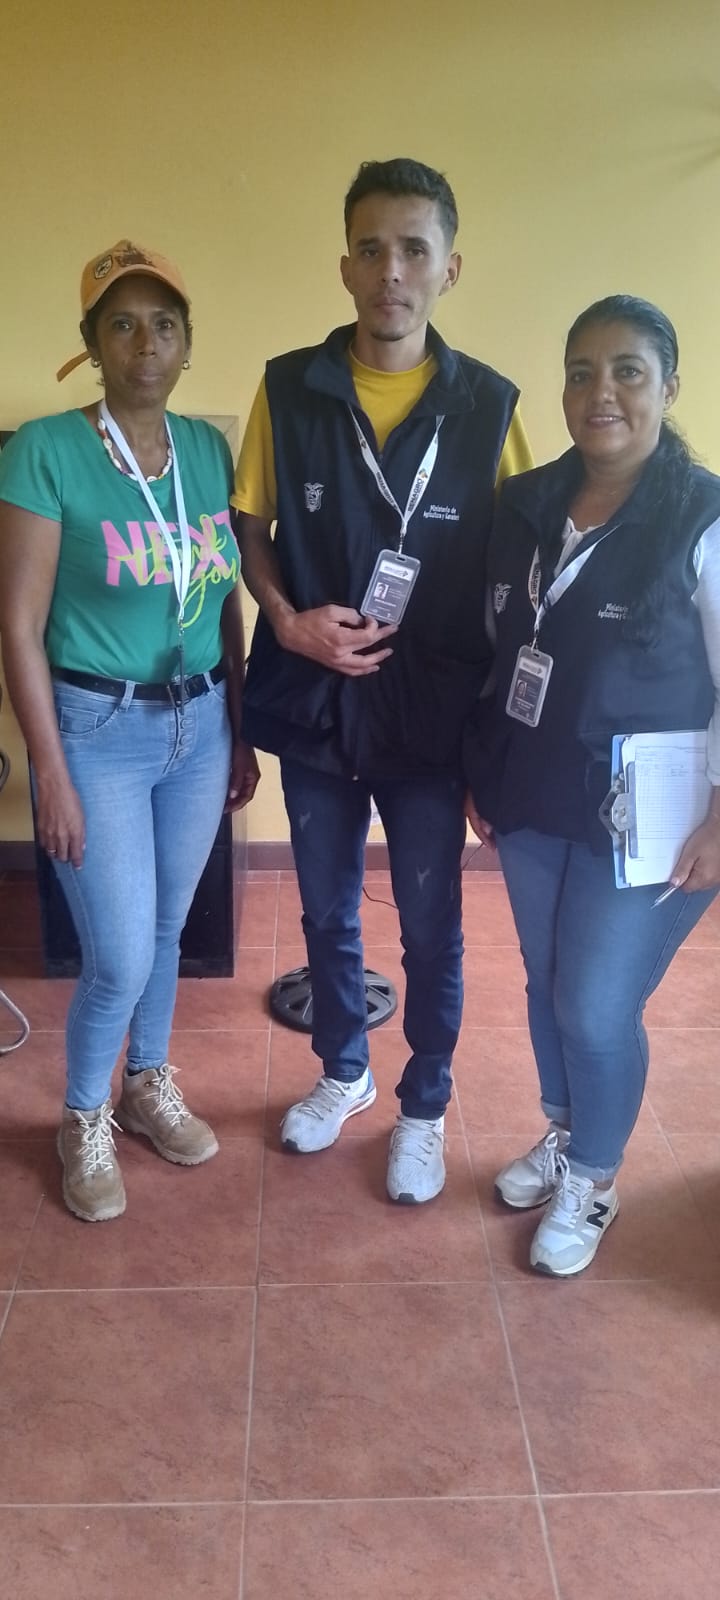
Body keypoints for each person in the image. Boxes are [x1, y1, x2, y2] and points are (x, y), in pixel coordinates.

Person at [233, 157, 531, 1203]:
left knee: (430, 923)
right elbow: (251, 528)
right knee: (324, 912)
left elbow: (519, 572)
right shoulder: (288, 389)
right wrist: (286, 620)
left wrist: (498, 740)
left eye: (414, 249)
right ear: (346, 266)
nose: (391, 270)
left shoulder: (490, 406)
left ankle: (426, 1103)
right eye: (371, 249)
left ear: (450, 268)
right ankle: (344, 1071)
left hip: (430, 715)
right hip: (318, 702)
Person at [0, 240, 259, 1223]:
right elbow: (17, 625)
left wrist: (238, 725)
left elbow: (221, 596)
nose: (145, 342)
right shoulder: (44, 452)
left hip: (199, 724)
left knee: (163, 929)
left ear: (187, 343)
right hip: (95, 731)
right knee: (118, 955)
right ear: (91, 343)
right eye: (122, 323)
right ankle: (82, 1115)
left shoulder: (207, 450)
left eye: (164, 324)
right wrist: (51, 772)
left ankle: (146, 1082)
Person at [465, 294, 720, 1275]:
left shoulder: (701, 515)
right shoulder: (527, 502)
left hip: (657, 816)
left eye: (627, 371)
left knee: (596, 1004)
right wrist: (483, 770)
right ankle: (568, 1135)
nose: (601, 392)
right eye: (582, 372)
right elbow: (500, 646)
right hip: (536, 790)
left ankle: (595, 1180)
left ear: (670, 387)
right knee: (546, 981)